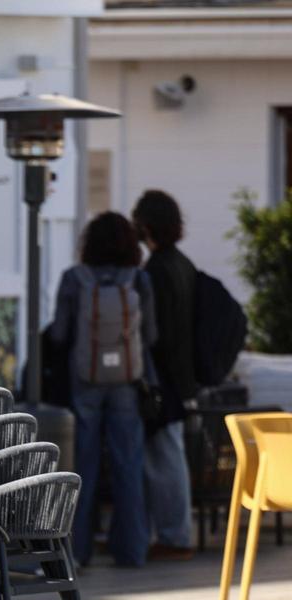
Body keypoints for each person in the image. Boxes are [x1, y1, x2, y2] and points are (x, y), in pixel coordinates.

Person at [49, 211, 158, 567]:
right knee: (129, 465)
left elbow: (60, 335)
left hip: (86, 379)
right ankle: (132, 551)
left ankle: (78, 551)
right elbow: (151, 336)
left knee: (84, 466)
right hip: (127, 380)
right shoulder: (138, 280)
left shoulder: (73, 279)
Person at [132, 189, 197, 561]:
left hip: (165, 378)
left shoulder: (156, 270)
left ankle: (174, 536)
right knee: (170, 456)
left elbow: (158, 333)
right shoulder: (182, 263)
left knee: (165, 459)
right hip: (183, 376)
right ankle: (173, 533)